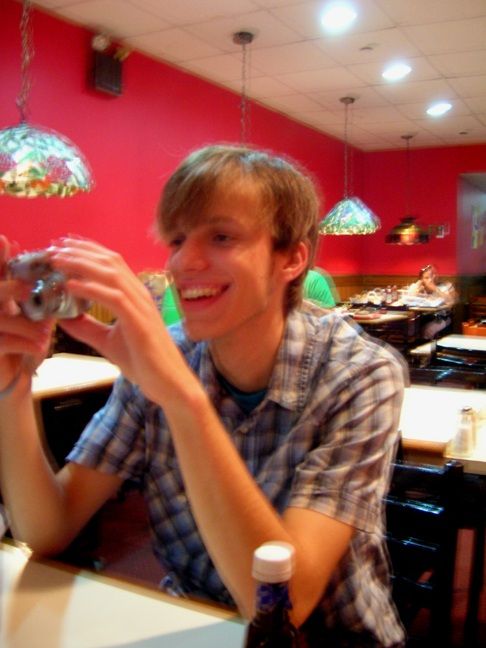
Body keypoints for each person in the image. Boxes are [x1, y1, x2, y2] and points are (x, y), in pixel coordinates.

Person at [0, 144, 407, 646]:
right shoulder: (162, 359)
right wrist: (11, 384)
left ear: (292, 258)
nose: (182, 262)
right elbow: (48, 528)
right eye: (176, 239)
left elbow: (283, 605)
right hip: (192, 625)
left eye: (221, 236)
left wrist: (182, 398)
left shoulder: (362, 373)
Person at [409, 264, 457, 339]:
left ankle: (426, 345)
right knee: (410, 328)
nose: (431, 280)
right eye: (426, 277)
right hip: (421, 317)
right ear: (422, 279)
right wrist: (416, 288)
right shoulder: (419, 287)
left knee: (427, 330)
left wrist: (435, 289)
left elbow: (451, 302)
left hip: (441, 317)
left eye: (433, 275)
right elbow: (408, 300)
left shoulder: (446, 286)